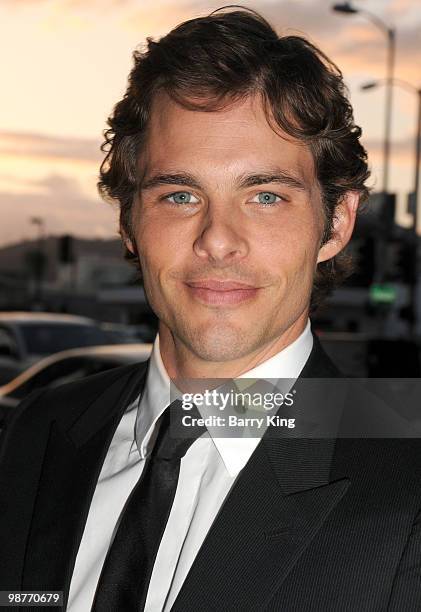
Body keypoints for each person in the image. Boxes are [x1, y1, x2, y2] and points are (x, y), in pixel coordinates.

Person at [1, 7, 421, 611]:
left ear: (335, 223)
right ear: (128, 221)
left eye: (266, 196)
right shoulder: (38, 431)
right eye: (179, 194)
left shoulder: (404, 491)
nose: (217, 239)